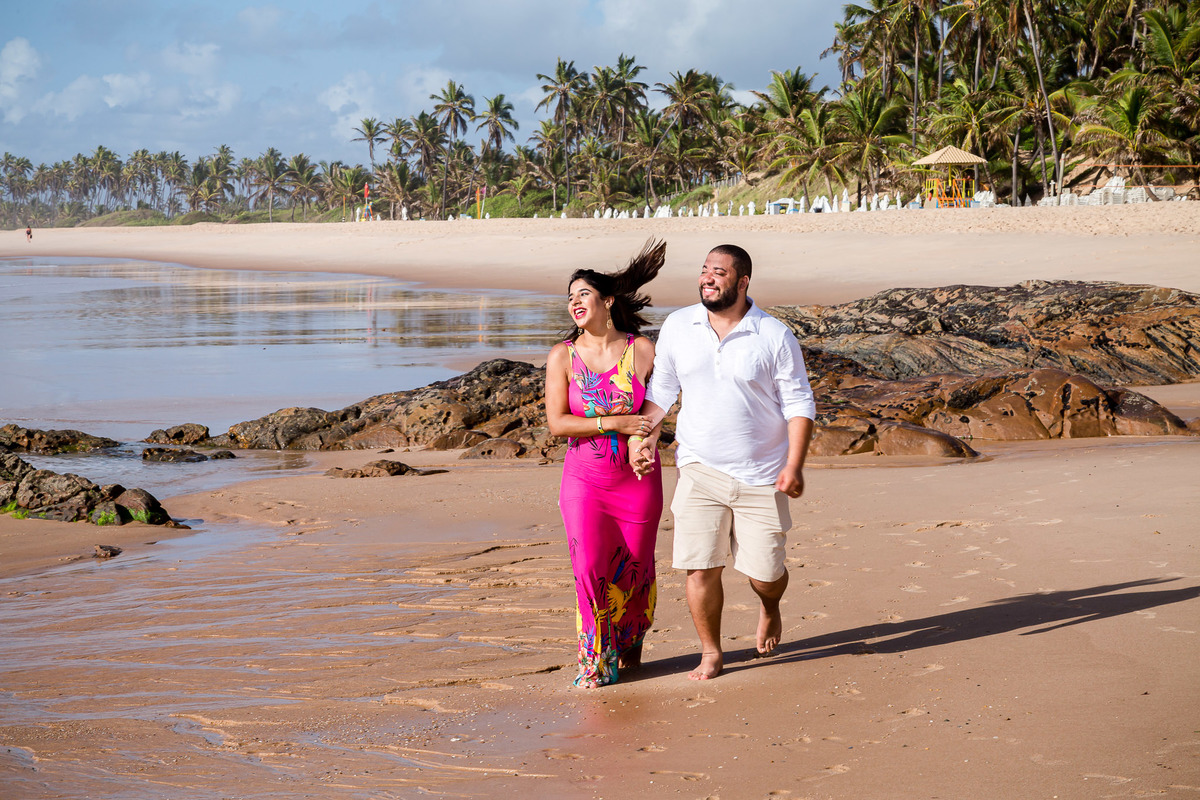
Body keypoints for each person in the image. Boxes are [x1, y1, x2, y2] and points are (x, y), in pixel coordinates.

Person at [630, 244, 816, 681]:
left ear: (743, 281)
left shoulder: (773, 335)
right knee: (700, 566)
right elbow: (661, 392)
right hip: (698, 467)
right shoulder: (679, 325)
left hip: (762, 475)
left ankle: (770, 606)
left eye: (719, 272)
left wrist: (795, 464)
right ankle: (711, 652)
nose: (708, 278)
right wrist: (646, 438)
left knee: (765, 574)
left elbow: (799, 403)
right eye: (704, 270)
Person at [544, 239, 666, 688]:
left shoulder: (644, 351)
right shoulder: (564, 356)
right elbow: (558, 424)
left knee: (635, 566)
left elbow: (660, 408)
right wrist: (615, 421)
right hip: (584, 480)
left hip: (637, 479)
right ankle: (593, 662)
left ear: (607, 301)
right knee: (590, 566)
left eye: (583, 294)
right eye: (570, 297)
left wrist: (645, 438)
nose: (575, 302)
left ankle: (628, 638)